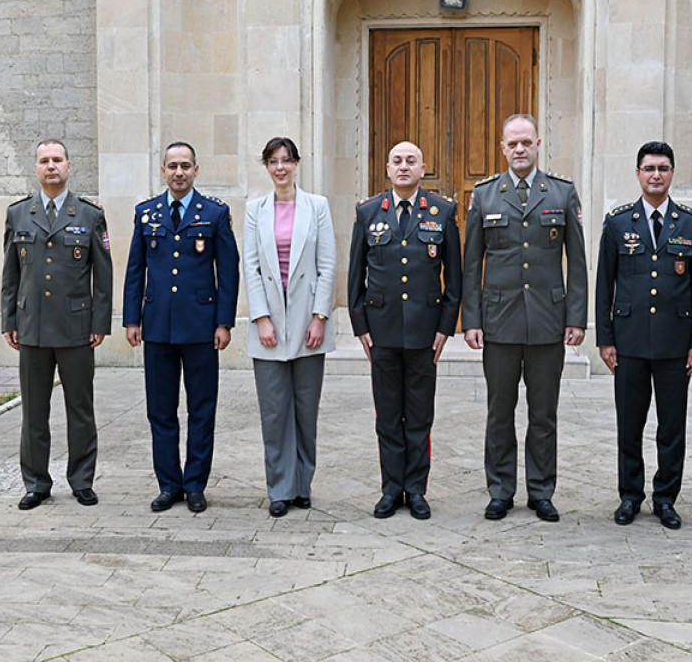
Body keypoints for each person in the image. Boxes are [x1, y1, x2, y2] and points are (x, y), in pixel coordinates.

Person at [462, 113, 587, 522]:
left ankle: (541, 491)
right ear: (502, 148)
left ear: (538, 145)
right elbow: (471, 264)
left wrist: (576, 317)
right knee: (499, 412)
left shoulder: (562, 193)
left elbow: (577, 261)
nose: (519, 149)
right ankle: (500, 490)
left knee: (543, 413)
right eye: (512, 143)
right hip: (499, 321)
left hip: (548, 321)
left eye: (526, 142)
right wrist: (471, 320)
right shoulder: (485, 196)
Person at [594, 141, 692, 530]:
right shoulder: (618, 222)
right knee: (630, 424)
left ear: (672, 173)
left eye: (663, 168)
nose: (656, 175)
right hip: (628, 342)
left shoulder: (691, 224)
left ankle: (665, 498)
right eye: (649, 168)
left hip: (676, 343)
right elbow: (604, 285)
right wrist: (605, 339)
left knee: (671, 426)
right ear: (638, 173)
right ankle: (630, 495)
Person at [123, 141, 240, 513]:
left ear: (196, 170)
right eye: (172, 166)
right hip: (158, 328)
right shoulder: (146, 213)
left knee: (202, 409)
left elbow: (228, 272)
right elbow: (135, 270)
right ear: (163, 170)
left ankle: (195, 485)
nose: (179, 172)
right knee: (160, 411)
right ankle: (169, 484)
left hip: (201, 328)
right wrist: (131, 319)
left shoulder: (215, 213)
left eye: (185, 166)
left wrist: (224, 322)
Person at [347, 141, 461, 520]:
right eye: (396, 160)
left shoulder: (442, 211)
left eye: (411, 161)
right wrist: (360, 326)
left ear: (422, 169)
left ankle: (416, 489)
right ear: (387, 168)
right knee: (387, 417)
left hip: (424, 334)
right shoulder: (367, 212)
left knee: (419, 416)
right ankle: (391, 489)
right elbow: (355, 276)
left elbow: (454, 280)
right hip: (381, 333)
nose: (403, 166)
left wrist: (446, 328)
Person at [1, 139, 113, 510]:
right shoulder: (19, 214)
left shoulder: (89, 215)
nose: (51, 166)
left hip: (76, 328)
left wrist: (100, 322)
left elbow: (103, 274)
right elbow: (10, 274)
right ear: (36, 168)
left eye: (57, 160)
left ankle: (82, 481)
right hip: (31, 328)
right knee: (34, 411)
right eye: (44, 160)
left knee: (80, 410)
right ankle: (36, 483)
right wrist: (9, 319)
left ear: (68, 165)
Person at [242, 137, 336, 517]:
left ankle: (302, 485)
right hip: (269, 325)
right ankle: (280, 488)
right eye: (273, 161)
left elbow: (327, 265)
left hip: (308, 323)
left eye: (286, 160)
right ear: (266, 167)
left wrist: (320, 316)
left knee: (305, 410)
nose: (280, 168)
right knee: (274, 412)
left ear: (296, 164)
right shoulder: (255, 210)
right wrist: (261, 318)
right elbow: (251, 267)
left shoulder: (317, 206)